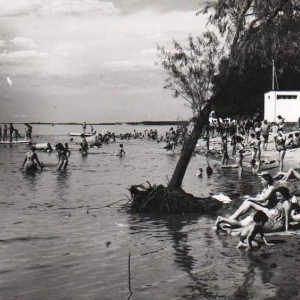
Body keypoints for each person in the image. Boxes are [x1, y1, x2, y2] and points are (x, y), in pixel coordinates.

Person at [215, 186, 293, 234]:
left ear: (285, 196)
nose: (278, 198)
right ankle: (226, 224)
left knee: (250, 226)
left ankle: (224, 222)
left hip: (275, 224)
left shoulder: (287, 204)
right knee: (248, 226)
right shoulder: (281, 201)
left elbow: (287, 218)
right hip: (270, 220)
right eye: (277, 196)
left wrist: (287, 230)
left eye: (280, 196)